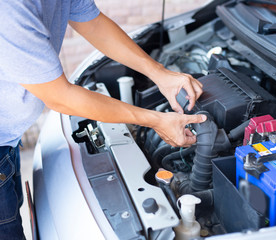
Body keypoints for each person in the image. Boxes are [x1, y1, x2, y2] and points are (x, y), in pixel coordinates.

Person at [0, 0, 206, 239]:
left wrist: (160, 74)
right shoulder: (9, 8)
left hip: (8, 138)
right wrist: (156, 120)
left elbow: (92, 24)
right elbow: (60, 97)